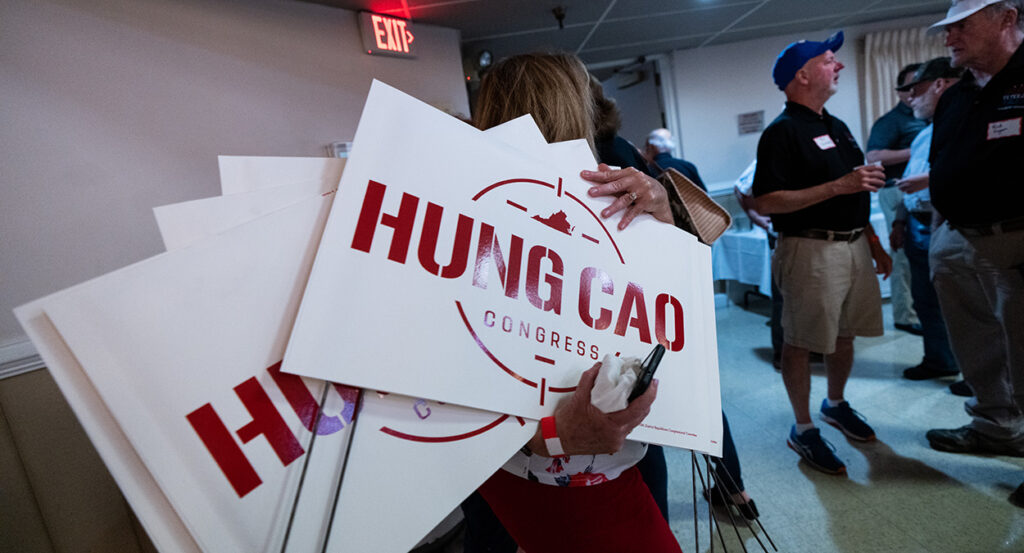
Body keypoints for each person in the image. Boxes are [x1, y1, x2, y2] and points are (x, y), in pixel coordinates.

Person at [470, 52, 683, 552]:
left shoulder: (606, 186)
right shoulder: (486, 208)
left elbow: (668, 301)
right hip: (548, 461)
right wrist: (555, 435)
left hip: (591, 445)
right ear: (574, 107)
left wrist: (663, 215)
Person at [752, 31, 893, 475]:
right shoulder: (781, 133)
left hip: (853, 245)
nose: (840, 66)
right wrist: (838, 186)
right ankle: (803, 426)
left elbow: (855, 189)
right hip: (810, 249)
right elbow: (766, 202)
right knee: (801, 342)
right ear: (803, 75)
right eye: (830, 59)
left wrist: (873, 242)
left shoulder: (836, 126)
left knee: (845, 334)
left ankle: (835, 403)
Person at [921, 0, 1024, 508]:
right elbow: (943, 163)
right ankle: (996, 426)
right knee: (975, 344)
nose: (950, 38)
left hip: (1015, 237)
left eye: (962, 26)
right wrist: (940, 236)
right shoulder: (957, 95)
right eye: (948, 28)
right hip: (957, 237)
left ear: (1006, 19)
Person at [887, 57, 963, 385]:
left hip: (947, 223)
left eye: (916, 91)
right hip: (917, 226)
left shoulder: (962, 124)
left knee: (961, 303)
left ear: (940, 85)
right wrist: (899, 223)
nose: (910, 99)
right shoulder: (922, 136)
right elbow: (907, 185)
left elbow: (963, 172)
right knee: (926, 300)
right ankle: (939, 359)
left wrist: (928, 181)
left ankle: (975, 375)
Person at [866, 64, 928, 336]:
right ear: (901, 91)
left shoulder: (928, 115)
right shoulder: (891, 121)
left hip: (925, 192)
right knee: (902, 254)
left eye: (921, 84)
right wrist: (916, 150)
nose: (915, 91)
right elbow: (873, 156)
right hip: (897, 191)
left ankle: (924, 311)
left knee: (922, 254)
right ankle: (905, 315)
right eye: (911, 86)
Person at [643, 128, 708, 191]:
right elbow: (703, 193)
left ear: (652, 146)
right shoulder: (688, 166)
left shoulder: (648, 170)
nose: (645, 151)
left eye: (646, 147)